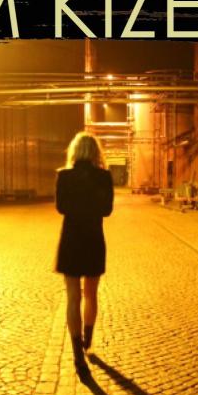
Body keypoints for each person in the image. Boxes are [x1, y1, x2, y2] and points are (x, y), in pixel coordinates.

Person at [55, 131, 114, 376]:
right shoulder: (104, 177)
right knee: (91, 294)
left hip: (71, 240)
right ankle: (87, 340)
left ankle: (77, 355)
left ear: (75, 151)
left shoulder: (64, 176)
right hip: (93, 239)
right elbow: (107, 210)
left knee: (72, 297)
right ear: (95, 153)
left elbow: (61, 207)